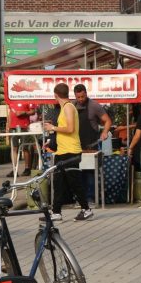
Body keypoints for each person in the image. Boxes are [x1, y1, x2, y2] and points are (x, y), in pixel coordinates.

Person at [43, 83, 92, 222]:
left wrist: (53, 127)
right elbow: (64, 129)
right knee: (58, 182)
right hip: (62, 150)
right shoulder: (65, 108)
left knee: (74, 181)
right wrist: (52, 137)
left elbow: (70, 128)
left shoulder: (69, 107)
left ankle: (86, 209)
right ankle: (56, 212)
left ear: (55, 95)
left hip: (71, 151)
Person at [73, 84, 112, 151]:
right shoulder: (72, 105)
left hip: (92, 144)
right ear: (75, 96)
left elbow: (108, 121)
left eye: (83, 96)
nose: (81, 99)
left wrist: (105, 132)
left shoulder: (94, 105)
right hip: (76, 145)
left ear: (86, 93)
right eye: (78, 97)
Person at [8, 99, 38, 176]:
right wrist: (8, 126)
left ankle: (27, 168)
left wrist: (23, 112)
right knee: (14, 148)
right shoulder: (12, 99)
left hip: (24, 126)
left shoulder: (27, 97)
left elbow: (33, 111)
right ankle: (15, 170)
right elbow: (9, 113)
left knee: (25, 147)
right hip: (13, 127)